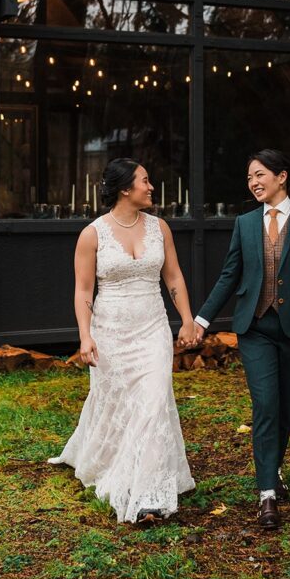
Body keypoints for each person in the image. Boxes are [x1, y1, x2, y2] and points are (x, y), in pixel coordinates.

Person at [193, 149, 290, 530]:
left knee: (285, 405)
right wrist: (202, 318)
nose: (253, 183)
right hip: (255, 328)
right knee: (265, 404)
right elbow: (230, 274)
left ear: (282, 176)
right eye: (249, 178)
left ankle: (273, 469)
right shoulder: (244, 224)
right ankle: (267, 496)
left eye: (259, 175)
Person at [47, 158, 197, 523]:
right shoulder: (93, 234)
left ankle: (148, 495)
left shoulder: (160, 228)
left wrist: (188, 319)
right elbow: (83, 290)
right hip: (110, 332)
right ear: (125, 189)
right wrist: (85, 335)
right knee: (116, 404)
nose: (151, 187)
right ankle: (108, 459)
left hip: (152, 330)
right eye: (145, 181)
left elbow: (173, 278)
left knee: (153, 401)